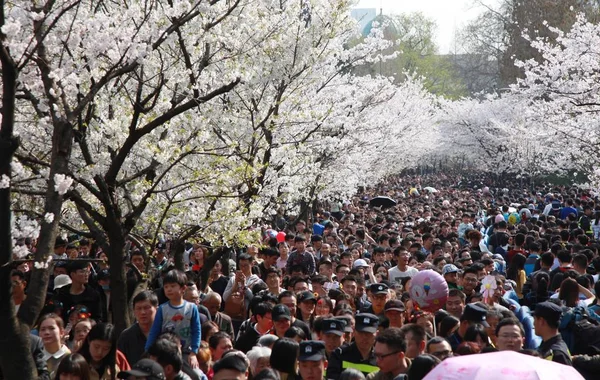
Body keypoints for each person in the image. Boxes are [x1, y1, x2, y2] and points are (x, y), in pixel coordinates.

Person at [146, 269, 201, 369]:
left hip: (185, 352)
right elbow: (154, 331)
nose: (169, 289)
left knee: (196, 375)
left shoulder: (192, 308)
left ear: (183, 288)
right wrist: (148, 351)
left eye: (172, 286)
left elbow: (196, 331)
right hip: (165, 352)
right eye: (166, 287)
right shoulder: (162, 309)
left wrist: (194, 353)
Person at [327, 313, 379, 380]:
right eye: (361, 332)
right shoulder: (339, 354)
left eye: (369, 333)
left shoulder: (381, 358)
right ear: (354, 332)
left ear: (377, 334)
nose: (364, 337)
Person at [118, 291, 159, 366]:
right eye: (138, 308)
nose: (142, 312)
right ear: (134, 311)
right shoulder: (126, 336)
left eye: (146, 308)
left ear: (157, 309)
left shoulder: (164, 333)